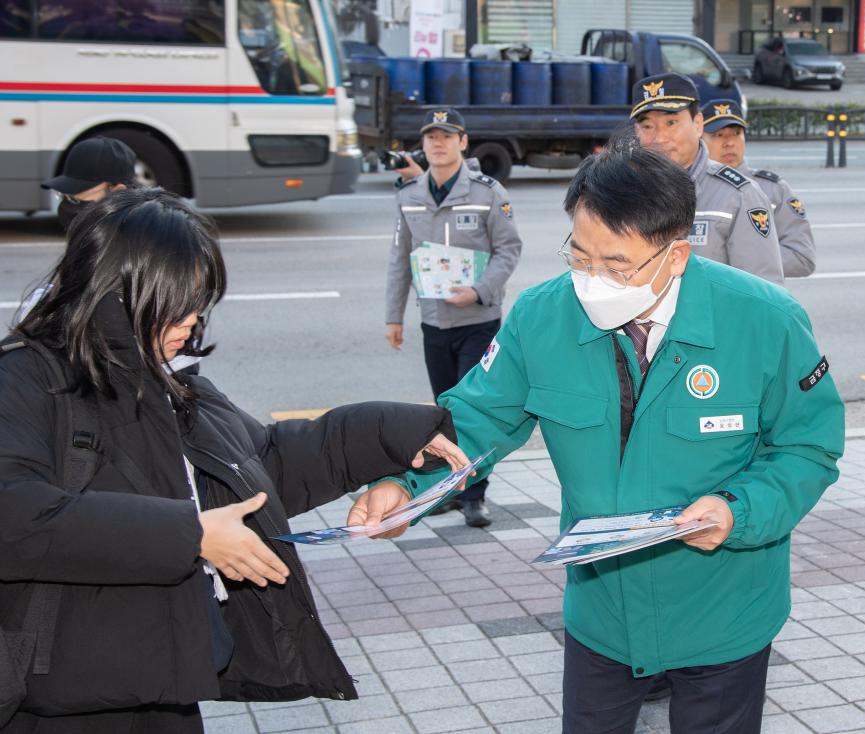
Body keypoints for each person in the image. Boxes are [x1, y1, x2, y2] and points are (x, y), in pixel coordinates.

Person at [357, 146, 845, 733]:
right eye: (579, 256)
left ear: (677, 255)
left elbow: (807, 447)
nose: (593, 280)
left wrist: (739, 511)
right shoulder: (543, 316)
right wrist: (405, 485)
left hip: (724, 610)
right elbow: (474, 419)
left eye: (618, 265)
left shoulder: (763, 319)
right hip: (602, 614)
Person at [0, 188, 470, 733]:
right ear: (115, 292)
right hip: (55, 700)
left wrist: (393, 432)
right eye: (176, 301)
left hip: (161, 682)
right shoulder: (26, 380)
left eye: (199, 300)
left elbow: (262, 464)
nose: (192, 319)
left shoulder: (163, 378)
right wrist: (188, 535)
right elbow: (14, 513)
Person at [384, 107, 523, 528]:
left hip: (478, 322)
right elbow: (399, 259)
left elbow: (509, 249)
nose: (438, 143)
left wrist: (480, 290)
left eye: (447, 136)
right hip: (434, 322)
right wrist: (393, 316)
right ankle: (447, 489)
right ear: (423, 146)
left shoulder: (488, 192)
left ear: (463, 142)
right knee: (442, 414)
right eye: (431, 137)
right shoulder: (409, 196)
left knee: (474, 412)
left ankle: (476, 496)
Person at [631, 73, 784, 286]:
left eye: (671, 122)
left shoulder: (739, 196)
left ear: (698, 124)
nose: (659, 138)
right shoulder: (625, 192)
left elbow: (761, 292)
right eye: (648, 126)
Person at [701, 98, 817, 278]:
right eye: (718, 135)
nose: (729, 142)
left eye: (736, 133)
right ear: (700, 139)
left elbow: (802, 258)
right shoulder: (690, 187)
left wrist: (743, 258)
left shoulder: (773, 189)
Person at [40, 136, 137, 232]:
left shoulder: (136, 242)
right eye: (63, 195)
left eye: (74, 200)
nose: (66, 206)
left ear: (118, 192)